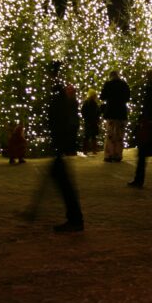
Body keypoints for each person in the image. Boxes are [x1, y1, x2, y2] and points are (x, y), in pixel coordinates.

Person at [47, 62, 84, 232]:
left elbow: (59, 118)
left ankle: (75, 219)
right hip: (61, 141)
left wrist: (60, 142)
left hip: (60, 141)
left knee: (64, 181)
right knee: (63, 179)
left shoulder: (58, 93)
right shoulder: (60, 93)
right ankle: (74, 217)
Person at [127, 71, 152, 188]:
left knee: (142, 154)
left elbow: (147, 107)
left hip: (149, 125)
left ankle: (139, 180)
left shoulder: (150, 89)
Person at [100, 70, 131, 163]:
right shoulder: (124, 85)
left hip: (110, 112)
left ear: (111, 76)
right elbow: (127, 98)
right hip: (121, 113)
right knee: (119, 135)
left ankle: (109, 155)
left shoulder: (108, 84)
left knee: (110, 134)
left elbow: (102, 97)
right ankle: (118, 155)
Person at [80, 89, 100, 155]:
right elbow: (97, 112)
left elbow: (82, 111)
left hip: (88, 121)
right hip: (92, 121)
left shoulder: (87, 102)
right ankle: (93, 150)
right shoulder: (93, 103)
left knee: (87, 136)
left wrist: (85, 117)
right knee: (92, 136)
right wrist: (96, 118)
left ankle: (86, 150)